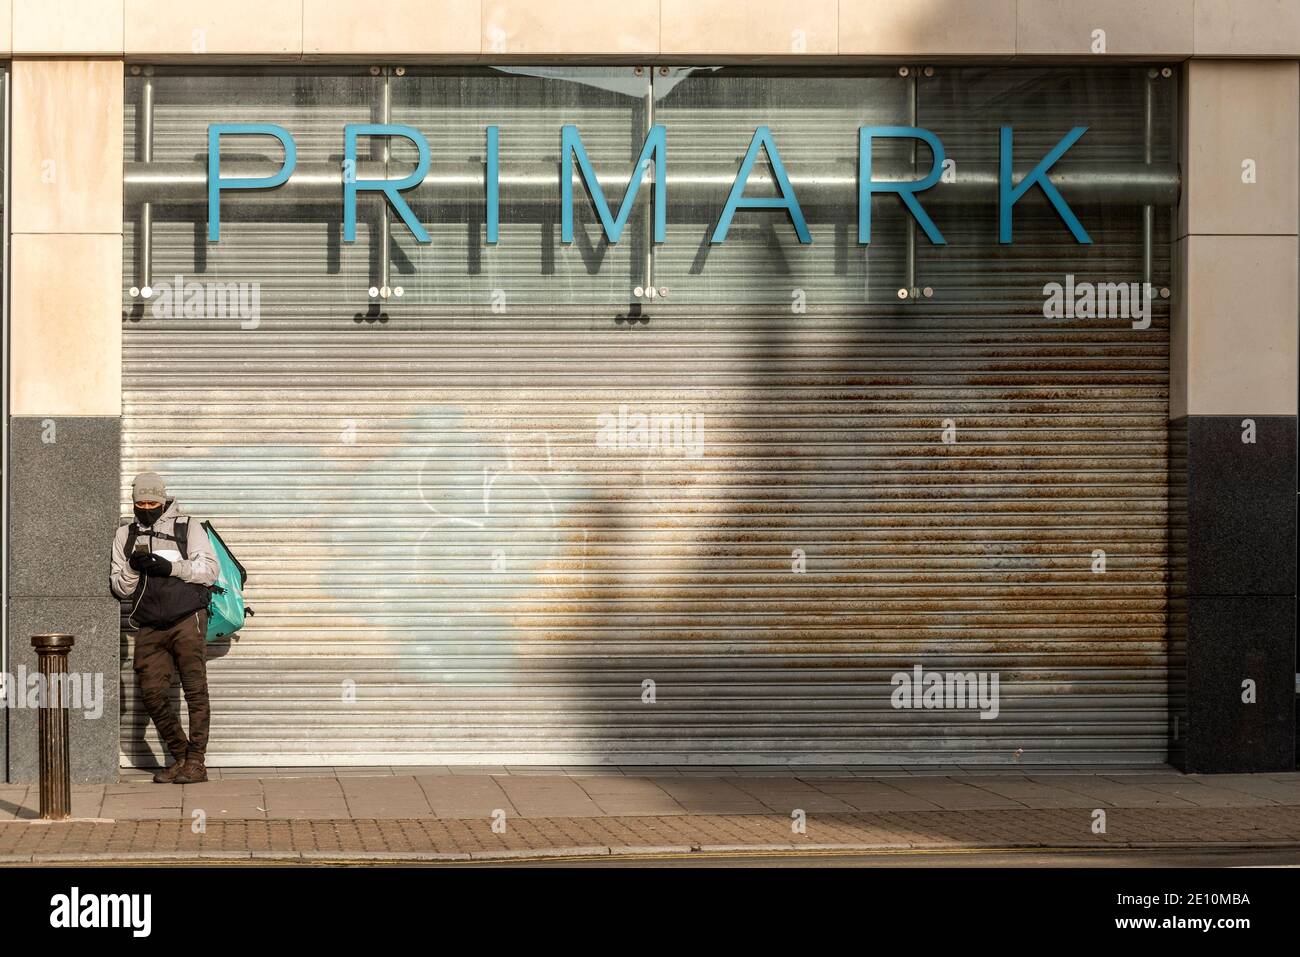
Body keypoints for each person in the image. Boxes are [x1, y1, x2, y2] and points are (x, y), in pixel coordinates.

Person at [110, 472, 219, 784]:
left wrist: (171, 567)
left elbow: (209, 571)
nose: (146, 507)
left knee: (195, 690)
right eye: (140, 502)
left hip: (187, 619)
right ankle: (182, 755)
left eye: (152, 502)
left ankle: (196, 761)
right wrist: (133, 567)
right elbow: (119, 588)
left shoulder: (187, 527)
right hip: (149, 625)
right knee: (152, 693)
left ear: (162, 500)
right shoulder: (125, 536)